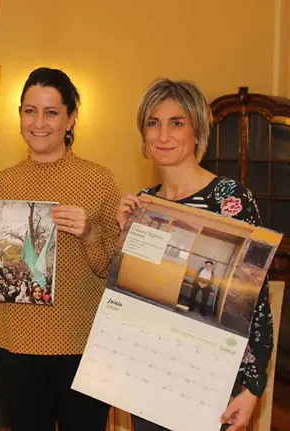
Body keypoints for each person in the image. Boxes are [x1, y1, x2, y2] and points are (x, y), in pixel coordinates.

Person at [0, 67, 122, 430]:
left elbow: (114, 270)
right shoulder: (0, 185)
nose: (38, 123)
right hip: (15, 346)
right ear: (19, 115)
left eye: (51, 112)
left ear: (71, 118)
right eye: (29, 111)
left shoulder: (99, 180)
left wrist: (90, 233)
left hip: (82, 347)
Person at [117, 78, 274, 431]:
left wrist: (252, 387)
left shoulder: (229, 199)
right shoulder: (144, 203)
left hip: (209, 378)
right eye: (153, 123)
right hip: (147, 375)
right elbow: (135, 295)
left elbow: (254, 302)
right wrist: (125, 237)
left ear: (197, 131)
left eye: (177, 122)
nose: (163, 135)